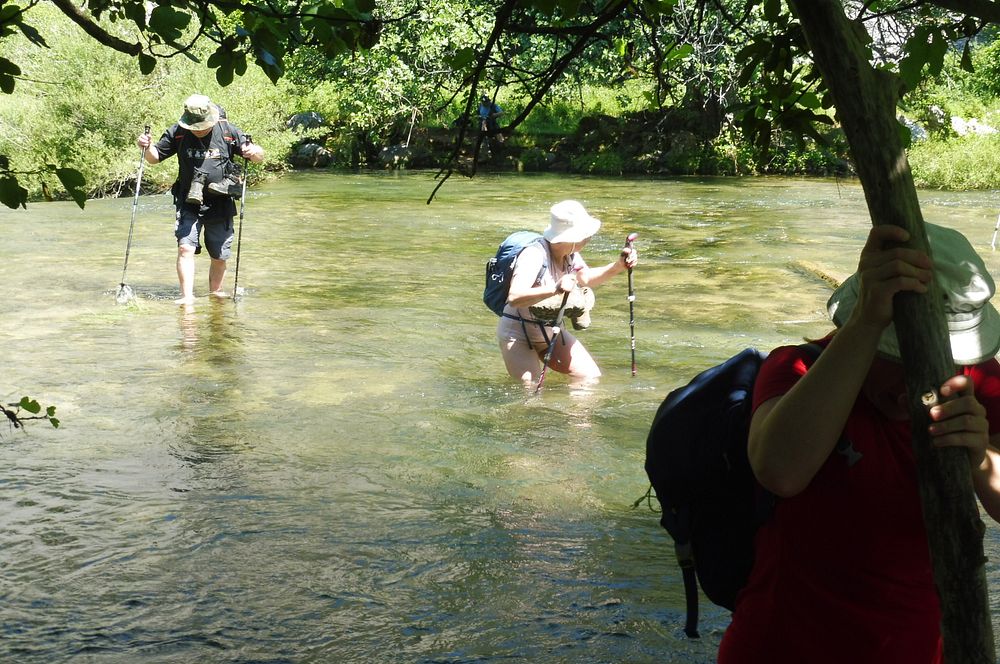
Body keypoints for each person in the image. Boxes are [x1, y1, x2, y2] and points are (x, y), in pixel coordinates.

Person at [717, 223, 1000, 664]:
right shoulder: (799, 369)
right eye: (893, 357)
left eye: (926, 361)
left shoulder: (976, 381)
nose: (907, 387)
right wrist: (869, 321)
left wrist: (980, 461)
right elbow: (779, 471)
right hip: (783, 646)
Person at [136, 94, 264, 305]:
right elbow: (154, 158)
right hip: (188, 201)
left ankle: (216, 294)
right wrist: (146, 146)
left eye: (202, 126)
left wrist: (254, 151)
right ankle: (187, 297)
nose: (198, 130)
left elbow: (258, 156)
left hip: (221, 201)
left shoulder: (227, 131)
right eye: (194, 127)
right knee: (185, 248)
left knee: (219, 255)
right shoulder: (178, 132)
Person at [497, 200, 638, 387]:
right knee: (531, 392)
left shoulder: (570, 254)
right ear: (571, 237)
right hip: (518, 334)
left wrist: (618, 266)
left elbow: (586, 279)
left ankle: (572, 408)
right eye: (586, 235)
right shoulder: (533, 255)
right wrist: (555, 288)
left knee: (589, 378)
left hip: (551, 332)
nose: (589, 238)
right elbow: (515, 297)